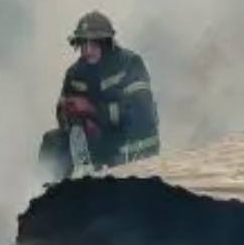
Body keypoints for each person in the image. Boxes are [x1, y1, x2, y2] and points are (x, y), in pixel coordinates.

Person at [44, 10, 160, 177]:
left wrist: (93, 111)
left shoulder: (130, 64)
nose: (87, 51)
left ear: (106, 43)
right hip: (99, 146)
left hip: (132, 149)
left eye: (93, 44)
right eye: (83, 44)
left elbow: (140, 114)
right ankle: (50, 193)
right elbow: (62, 114)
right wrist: (72, 117)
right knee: (52, 140)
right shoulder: (75, 73)